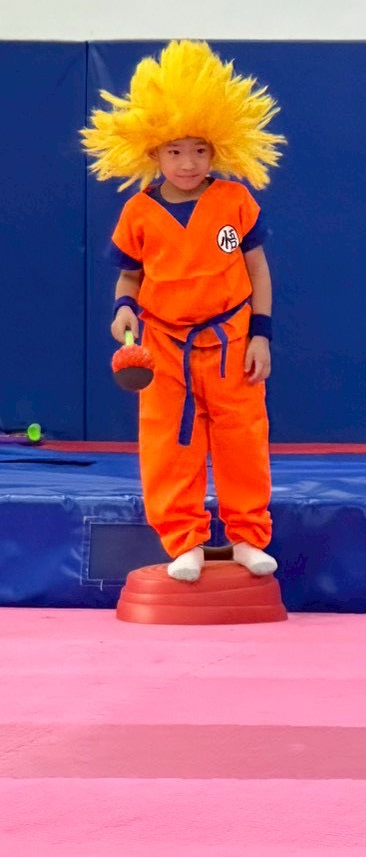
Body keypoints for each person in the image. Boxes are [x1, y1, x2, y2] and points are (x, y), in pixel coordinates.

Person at [82, 40, 284, 583]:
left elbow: (258, 270)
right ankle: (185, 541)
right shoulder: (138, 212)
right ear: (153, 154)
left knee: (242, 437)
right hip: (164, 345)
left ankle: (246, 537)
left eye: (199, 150)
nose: (189, 162)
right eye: (175, 151)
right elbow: (130, 276)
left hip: (231, 340)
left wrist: (260, 334)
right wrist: (123, 309)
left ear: (218, 149)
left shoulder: (234, 201)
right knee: (169, 443)